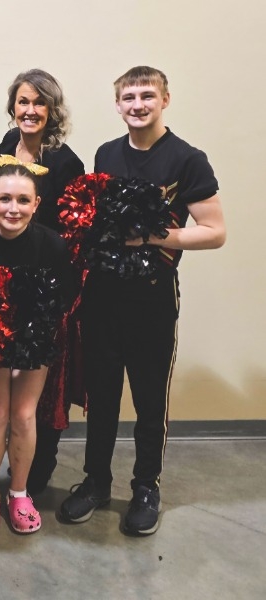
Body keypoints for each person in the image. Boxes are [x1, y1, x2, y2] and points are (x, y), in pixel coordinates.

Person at [59, 66, 226, 535]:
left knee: (150, 398)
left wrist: (154, 237)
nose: (138, 104)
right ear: (117, 105)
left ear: (165, 100)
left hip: (152, 299)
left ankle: (146, 486)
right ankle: (94, 481)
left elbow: (215, 232)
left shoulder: (187, 159)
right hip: (103, 294)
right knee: (103, 394)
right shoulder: (106, 153)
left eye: (147, 95)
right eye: (129, 97)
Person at [0, 164, 76, 534]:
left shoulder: (53, 245)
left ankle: (19, 492)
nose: (13, 208)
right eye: (5, 199)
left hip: (34, 338)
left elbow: (64, 297)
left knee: (24, 414)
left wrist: (33, 332)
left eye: (23, 200)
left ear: (37, 203)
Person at [0, 69, 85, 493]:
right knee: (0, 391)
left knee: (42, 394)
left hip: (46, 291)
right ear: (13, 107)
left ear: (52, 110)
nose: (30, 110)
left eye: (39, 103)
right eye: (23, 102)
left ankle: (37, 470)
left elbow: (73, 238)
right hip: (0, 289)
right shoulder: (2, 150)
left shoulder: (66, 163)